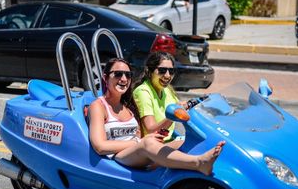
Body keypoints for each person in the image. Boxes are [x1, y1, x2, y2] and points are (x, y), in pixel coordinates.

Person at [88, 58, 225, 175]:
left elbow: (140, 135)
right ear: (105, 78)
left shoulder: (128, 105)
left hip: (138, 150)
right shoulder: (98, 106)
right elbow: (100, 146)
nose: (123, 79)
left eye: (128, 75)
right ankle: (199, 163)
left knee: (183, 141)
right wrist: (139, 142)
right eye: (118, 74)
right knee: (148, 143)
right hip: (119, 155)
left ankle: (220, 167)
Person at [133, 52, 187, 140]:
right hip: (151, 146)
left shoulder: (167, 90)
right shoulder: (143, 92)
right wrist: (173, 116)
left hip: (167, 142)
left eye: (171, 71)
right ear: (150, 71)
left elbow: (180, 107)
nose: (167, 75)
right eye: (162, 70)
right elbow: (150, 130)